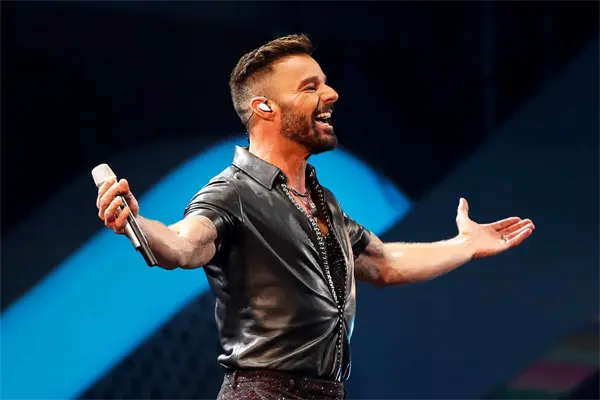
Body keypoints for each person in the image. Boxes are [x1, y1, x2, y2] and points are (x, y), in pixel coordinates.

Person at [96, 34, 535, 400]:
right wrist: (137, 224)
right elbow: (183, 244)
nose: (331, 94)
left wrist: (464, 245)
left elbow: (383, 262)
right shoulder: (232, 193)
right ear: (265, 108)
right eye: (310, 88)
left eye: (324, 83)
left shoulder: (323, 201)